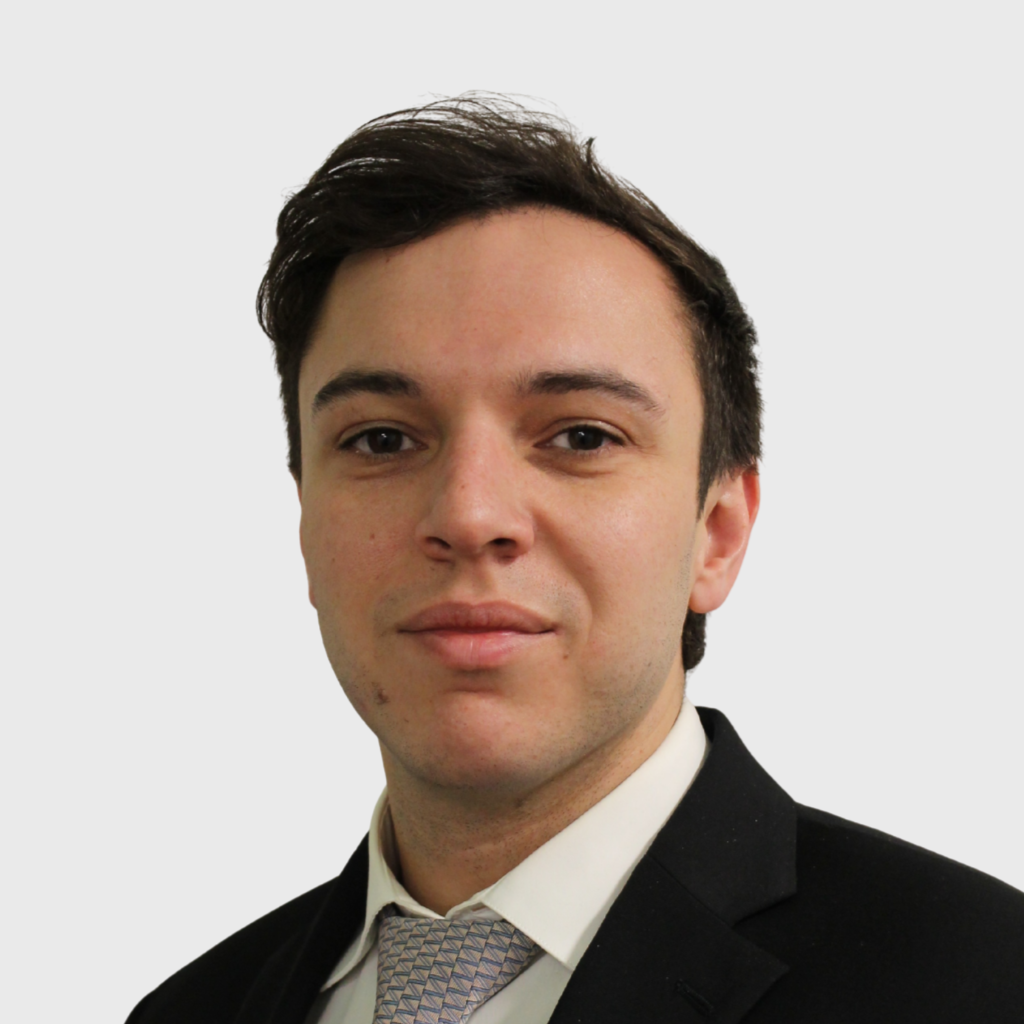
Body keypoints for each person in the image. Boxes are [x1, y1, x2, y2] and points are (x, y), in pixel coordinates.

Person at [126, 97, 1024, 1024]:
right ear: (306, 521)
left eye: (582, 435)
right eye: (383, 439)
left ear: (717, 532)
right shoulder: (190, 1011)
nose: (469, 516)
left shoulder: (986, 984)